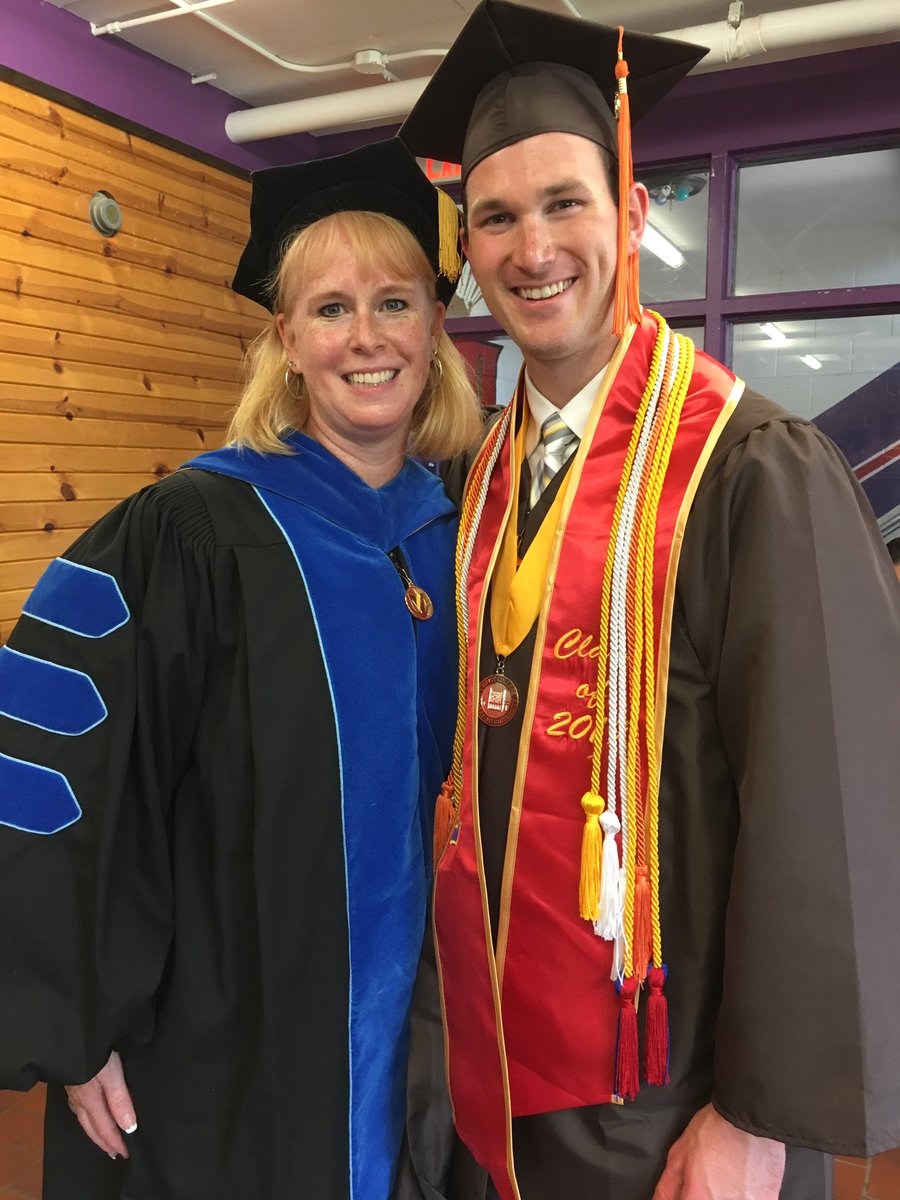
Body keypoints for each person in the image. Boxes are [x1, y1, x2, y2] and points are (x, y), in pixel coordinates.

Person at [397, 3, 900, 1199]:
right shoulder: (476, 486)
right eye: (498, 219)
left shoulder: (749, 467)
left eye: (566, 203)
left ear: (628, 215)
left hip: (672, 1109)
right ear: (468, 250)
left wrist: (754, 1114)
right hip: (496, 1079)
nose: (534, 250)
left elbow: (828, 806)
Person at [0, 136, 481, 1200]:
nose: (366, 336)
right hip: (230, 1047)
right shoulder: (190, 535)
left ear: (436, 328)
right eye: (330, 308)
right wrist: (74, 1020)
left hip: (433, 1048)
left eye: (395, 302)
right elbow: (50, 759)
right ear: (287, 338)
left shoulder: (470, 536)